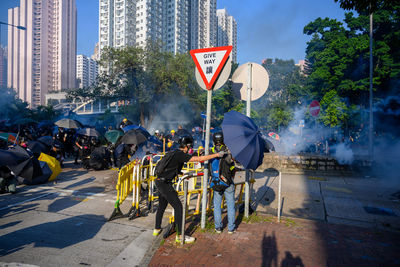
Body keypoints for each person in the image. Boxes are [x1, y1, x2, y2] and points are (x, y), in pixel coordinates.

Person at [153, 135, 225, 243]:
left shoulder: (174, 153)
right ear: (186, 146)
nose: (191, 149)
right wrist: (217, 155)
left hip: (159, 181)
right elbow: (200, 159)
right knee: (178, 207)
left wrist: (184, 174)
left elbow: (173, 169)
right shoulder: (181, 155)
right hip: (164, 184)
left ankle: (157, 229)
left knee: (162, 205)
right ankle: (180, 236)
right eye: (190, 146)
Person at [209, 131, 237, 234]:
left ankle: (218, 227)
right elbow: (233, 167)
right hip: (228, 182)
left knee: (217, 205)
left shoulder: (210, 152)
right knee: (230, 205)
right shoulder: (228, 152)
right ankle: (231, 228)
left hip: (216, 182)